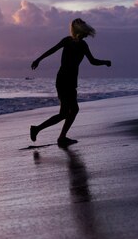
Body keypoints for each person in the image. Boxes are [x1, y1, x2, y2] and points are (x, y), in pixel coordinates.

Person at [30, 18, 112, 147]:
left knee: (64, 113)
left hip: (68, 80)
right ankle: (61, 137)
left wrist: (104, 62)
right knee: (73, 110)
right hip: (64, 80)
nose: (86, 35)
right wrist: (38, 59)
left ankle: (37, 129)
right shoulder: (68, 41)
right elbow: (52, 50)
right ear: (81, 31)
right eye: (85, 32)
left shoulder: (81, 44)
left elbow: (92, 61)